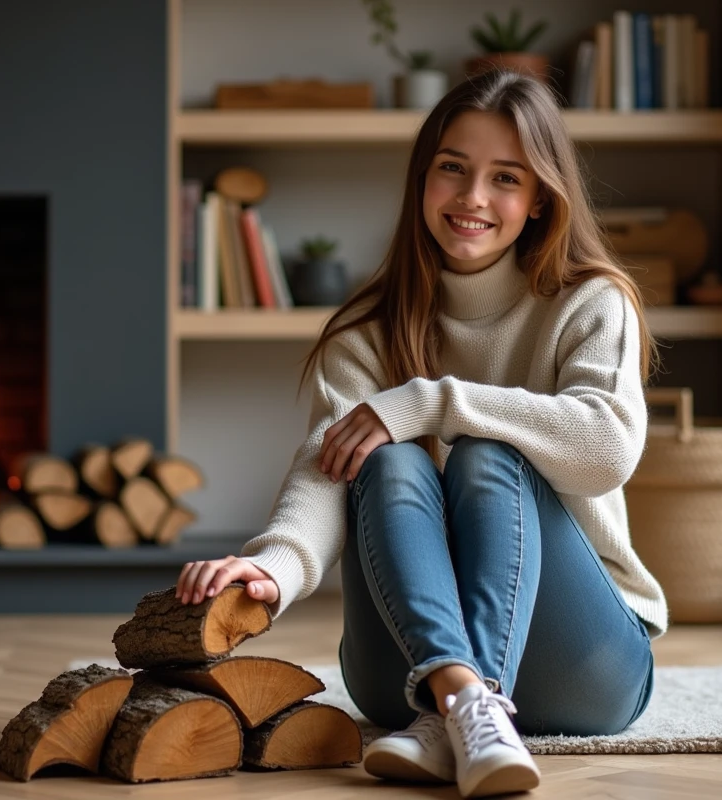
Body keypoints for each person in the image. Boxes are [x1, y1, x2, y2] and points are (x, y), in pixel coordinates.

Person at [175, 68, 667, 799]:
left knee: (487, 452)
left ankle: (462, 703)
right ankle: (463, 699)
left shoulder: (590, 302)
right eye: (452, 170)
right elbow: (324, 468)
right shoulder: (366, 331)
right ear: (422, 181)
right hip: (400, 667)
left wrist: (434, 401)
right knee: (387, 459)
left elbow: (607, 450)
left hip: (584, 661)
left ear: (538, 200)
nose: (473, 198)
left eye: (506, 178)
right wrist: (273, 567)